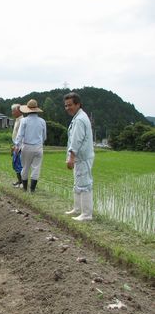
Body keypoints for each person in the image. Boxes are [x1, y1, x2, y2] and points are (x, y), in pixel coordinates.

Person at [64, 92, 95, 221]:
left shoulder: (80, 119)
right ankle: (77, 209)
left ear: (78, 104)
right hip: (79, 157)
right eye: (65, 105)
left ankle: (87, 214)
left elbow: (76, 140)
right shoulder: (78, 117)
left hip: (82, 157)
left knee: (84, 184)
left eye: (70, 105)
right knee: (78, 183)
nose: (67, 108)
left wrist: (71, 157)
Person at [14, 99, 47, 193]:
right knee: (36, 168)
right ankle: (32, 189)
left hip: (27, 147)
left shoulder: (24, 121)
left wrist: (17, 146)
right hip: (38, 147)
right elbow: (44, 137)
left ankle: (25, 188)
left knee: (25, 167)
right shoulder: (42, 121)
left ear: (27, 109)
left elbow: (20, 135)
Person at [11, 104, 23, 188]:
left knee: (19, 164)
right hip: (16, 144)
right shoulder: (17, 120)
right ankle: (19, 181)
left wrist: (17, 146)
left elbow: (21, 135)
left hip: (19, 146)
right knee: (16, 163)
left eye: (13, 111)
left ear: (19, 111)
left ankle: (21, 182)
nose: (12, 113)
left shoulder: (22, 120)